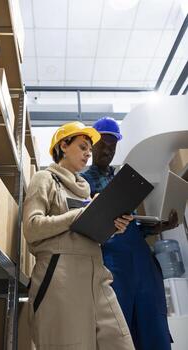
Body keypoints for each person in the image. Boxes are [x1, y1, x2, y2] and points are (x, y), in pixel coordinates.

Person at [23, 121, 136, 350]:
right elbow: (32, 227)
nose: (88, 154)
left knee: (121, 343)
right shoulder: (44, 178)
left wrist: (112, 226)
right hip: (61, 279)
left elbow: (86, 233)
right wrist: (79, 215)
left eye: (88, 149)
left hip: (97, 276)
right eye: (83, 147)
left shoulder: (86, 190)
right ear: (64, 145)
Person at [81, 117, 178, 350]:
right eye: (103, 144)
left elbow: (132, 224)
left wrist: (160, 227)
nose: (108, 150)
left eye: (113, 146)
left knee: (153, 321)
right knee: (119, 324)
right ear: (92, 144)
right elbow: (84, 227)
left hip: (141, 261)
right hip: (112, 262)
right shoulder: (82, 182)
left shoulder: (122, 179)